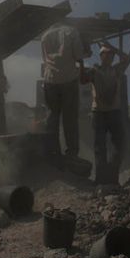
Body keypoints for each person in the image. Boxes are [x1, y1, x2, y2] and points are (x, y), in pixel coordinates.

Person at [81, 42, 130, 186]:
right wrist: (81, 62)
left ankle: (112, 177)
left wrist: (112, 46)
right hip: (99, 114)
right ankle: (101, 180)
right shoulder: (94, 71)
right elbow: (83, 80)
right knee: (100, 148)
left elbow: (128, 59)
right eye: (106, 54)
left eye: (112, 55)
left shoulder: (116, 70)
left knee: (119, 146)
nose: (110, 57)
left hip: (114, 112)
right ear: (101, 56)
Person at [40, 22, 86, 161]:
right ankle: (72, 153)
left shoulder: (44, 35)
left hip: (50, 80)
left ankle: (53, 151)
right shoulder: (71, 31)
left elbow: (45, 59)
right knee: (70, 118)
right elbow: (79, 55)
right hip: (68, 80)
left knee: (52, 118)